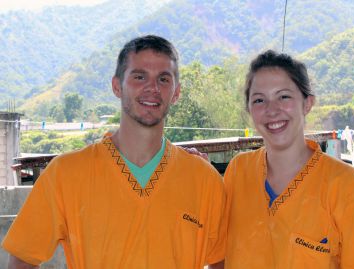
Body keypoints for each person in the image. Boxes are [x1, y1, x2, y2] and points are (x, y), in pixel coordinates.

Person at [2, 35, 226, 269]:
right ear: (117, 86)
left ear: (177, 93)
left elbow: (221, 261)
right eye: (139, 77)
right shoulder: (65, 174)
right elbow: (23, 258)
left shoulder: (204, 180)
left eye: (163, 79)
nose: (153, 88)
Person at [220, 50, 354, 268]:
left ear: (307, 103)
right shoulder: (238, 171)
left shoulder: (344, 184)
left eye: (284, 96)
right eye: (259, 100)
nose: (272, 110)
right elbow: (218, 255)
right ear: (249, 109)